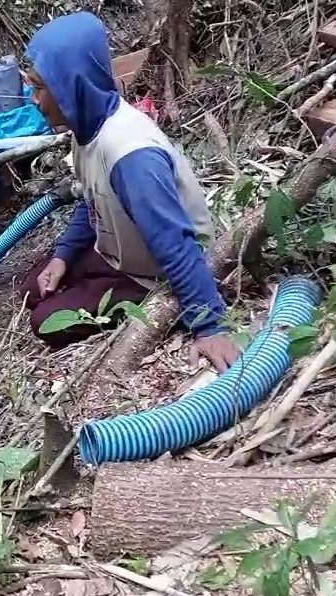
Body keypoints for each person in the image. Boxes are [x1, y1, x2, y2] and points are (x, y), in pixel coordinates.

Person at [20, 12, 241, 372]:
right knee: (33, 286)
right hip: (121, 249)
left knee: (45, 320)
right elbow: (93, 198)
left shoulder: (131, 155)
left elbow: (174, 241)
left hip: (152, 271)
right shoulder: (87, 125)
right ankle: (87, 275)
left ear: (68, 86)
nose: (33, 99)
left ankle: (125, 295)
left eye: (39, 87)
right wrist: (63, 255)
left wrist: (209, 325)